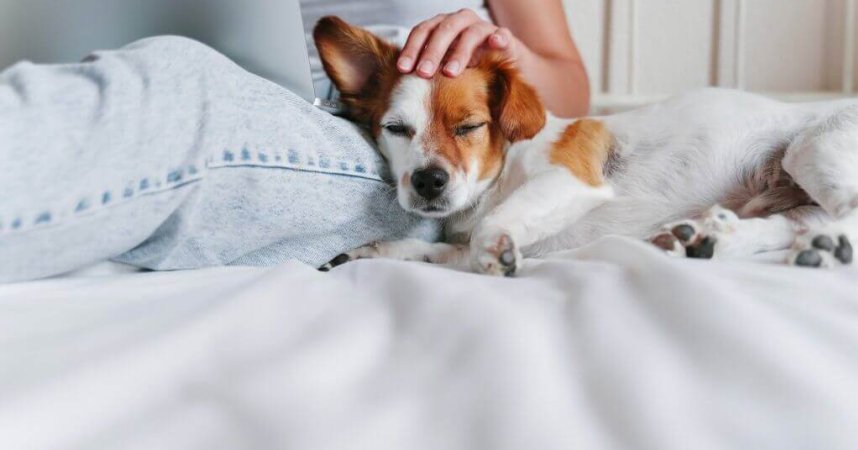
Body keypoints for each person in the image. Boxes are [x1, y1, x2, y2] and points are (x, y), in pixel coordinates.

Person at [0, 0, 589, 283]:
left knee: (178, 95)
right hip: (270, 112)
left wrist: (509, 55)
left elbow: (571, 85)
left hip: (385, 146)